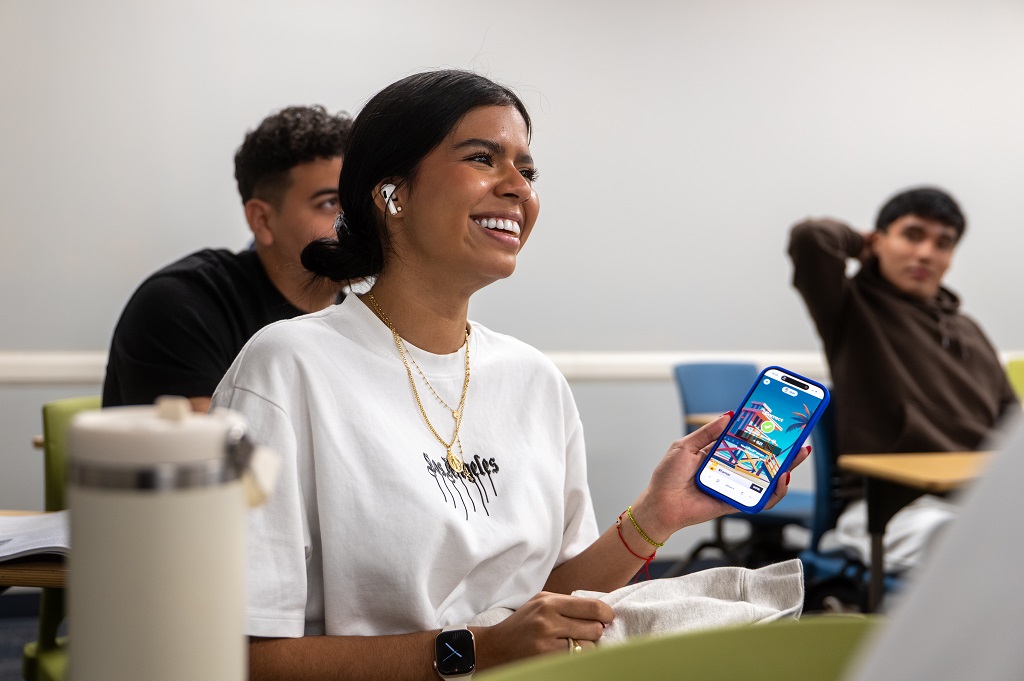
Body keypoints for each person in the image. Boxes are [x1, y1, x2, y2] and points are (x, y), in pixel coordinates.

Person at [210, 70, 811, 680]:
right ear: (391, 193)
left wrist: (659, 514)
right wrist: (476, 651)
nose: (518, 188)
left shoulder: (533, 380)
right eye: (482, 158)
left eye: (527, 170)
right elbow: (242, 657)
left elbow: (549, 603)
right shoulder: (287, 368)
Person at [788, 187, 1018, 572]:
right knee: (974, 546)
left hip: (974, 497)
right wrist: (862, 245)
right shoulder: (852, 309)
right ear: (879, 239)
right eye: (912, 235)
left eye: (943, 244)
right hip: (892, 508)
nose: (926, 253)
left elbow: (1012, 422)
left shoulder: (970, 331)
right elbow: (811, 239)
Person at [102, 105, 353, 412]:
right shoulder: (180, 306)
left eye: (358, 201)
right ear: (262, 220)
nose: (355, 221)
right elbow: (215, 455)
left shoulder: (366, 317)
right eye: (329, 203)